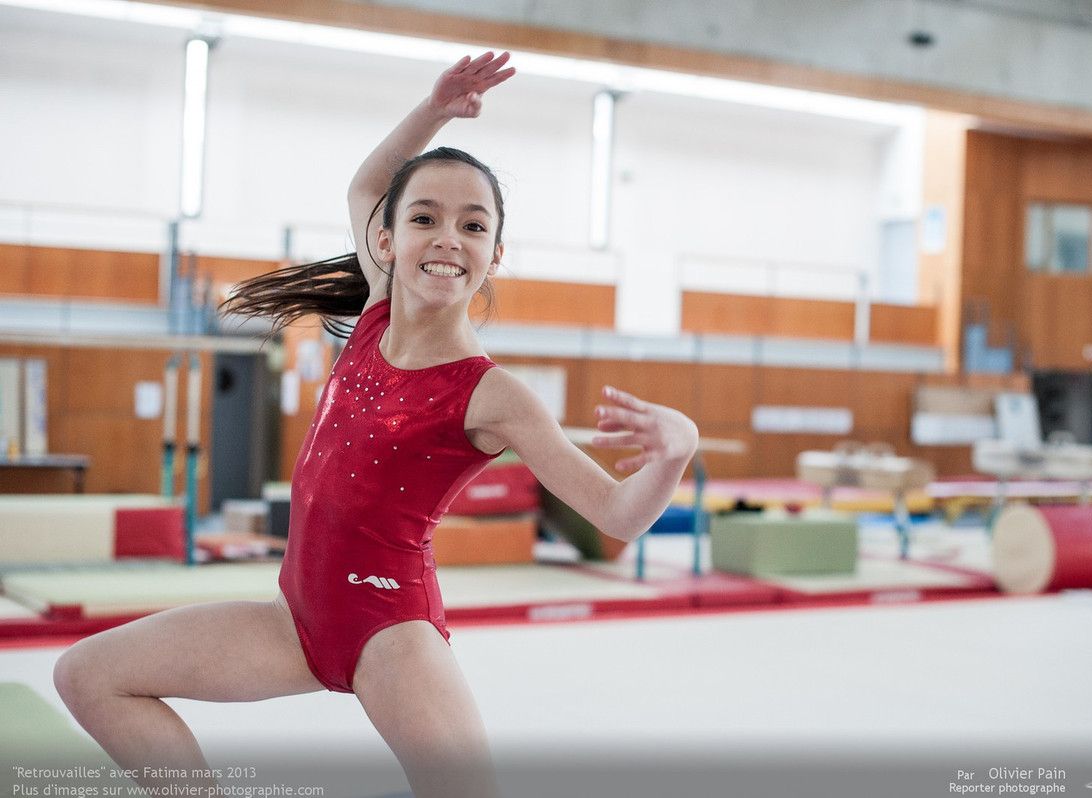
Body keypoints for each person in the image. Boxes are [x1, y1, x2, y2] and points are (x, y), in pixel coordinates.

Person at [53, 52, 699, 798]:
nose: (447, 237)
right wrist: (434, 109)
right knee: (88, 676)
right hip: (292, 619)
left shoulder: (493, 395)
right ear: (386, 241)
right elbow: (368, 183)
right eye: (424, 217)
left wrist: (671, 457)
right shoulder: (375, 310)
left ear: (494, 256)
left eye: (473, 224)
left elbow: (616, 511)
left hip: (391, 630)